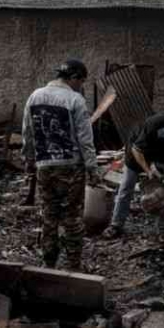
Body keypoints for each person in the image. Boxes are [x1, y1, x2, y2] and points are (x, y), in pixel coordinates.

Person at [21, 59, 98, 271]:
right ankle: (73, 266)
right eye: (81, 81)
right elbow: (85, 138)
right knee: (72, 217)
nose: (81, 86)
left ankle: (48, 263)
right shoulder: (75, 99)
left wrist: (28, 160)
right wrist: (92, 168)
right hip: (70, 167)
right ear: (74, 78)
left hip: (44, 166)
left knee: (49, 215)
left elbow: (28, 133)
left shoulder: (34, 96)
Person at [102, 104, 164, 239]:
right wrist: (148, 171)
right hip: (137, 152)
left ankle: (161, 230)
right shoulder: (156, 123)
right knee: (126, 188)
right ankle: (116, 225)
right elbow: (136, 150)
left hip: (161, 154)